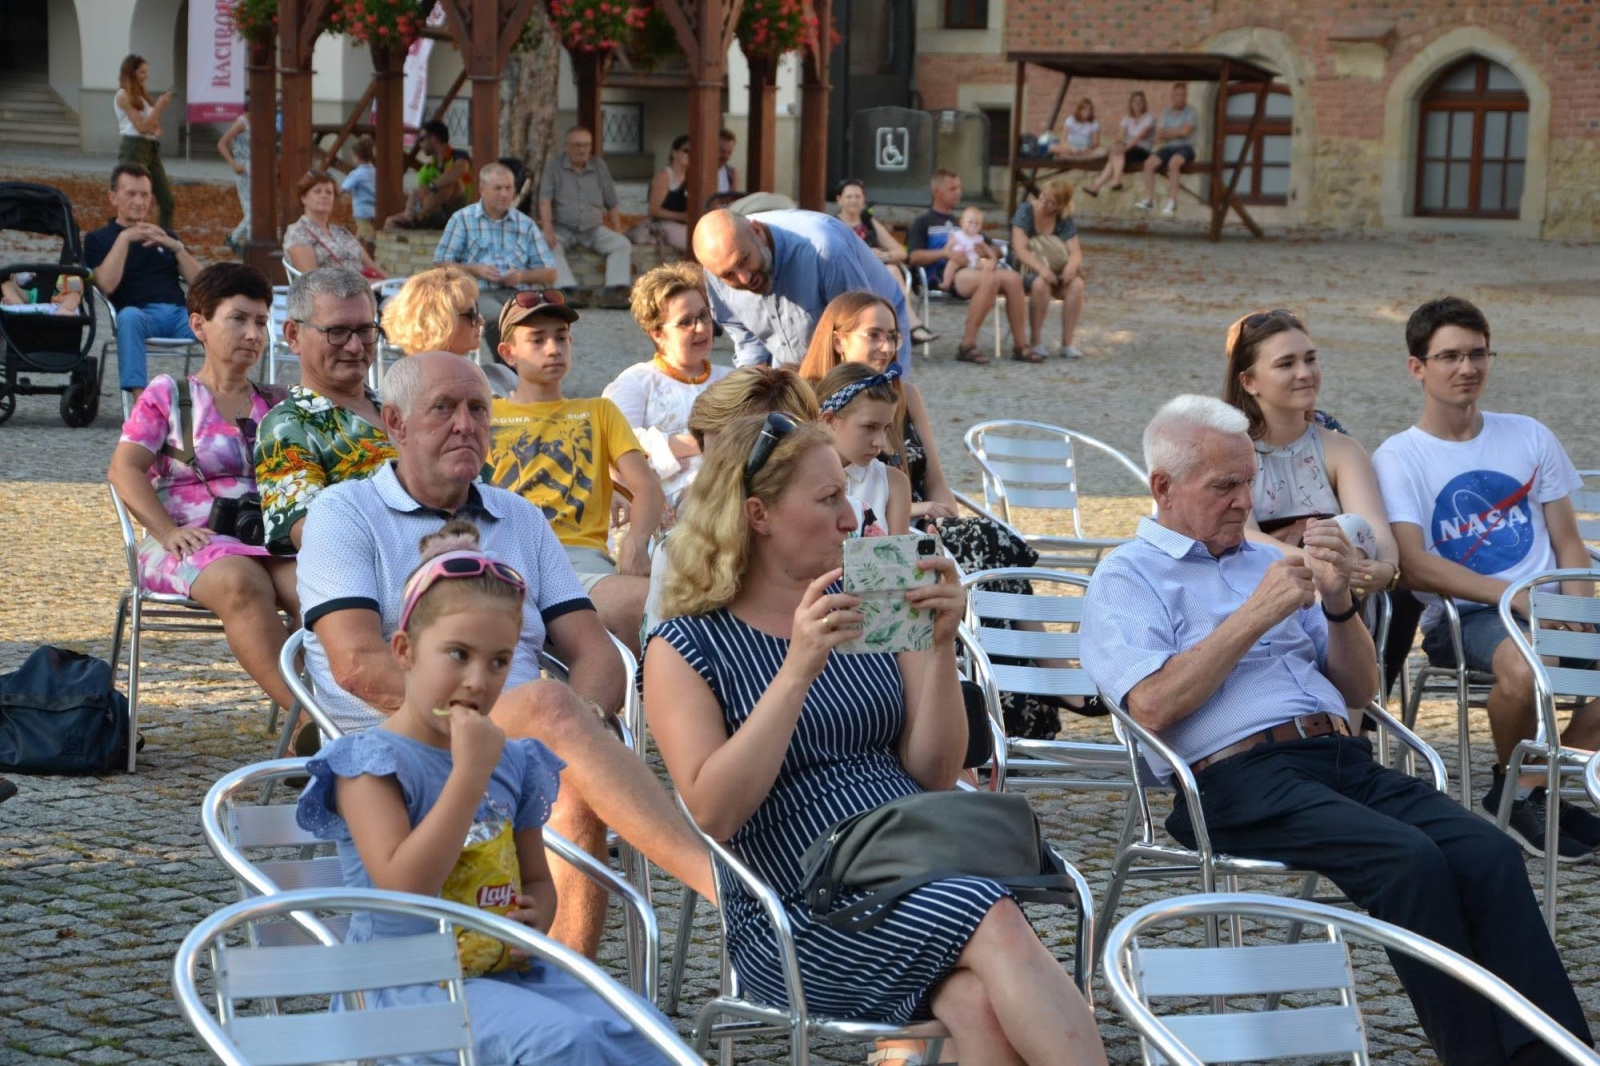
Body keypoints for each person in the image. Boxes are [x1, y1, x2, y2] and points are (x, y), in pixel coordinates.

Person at [1080, 393, 1593, 1066]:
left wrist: (1339, 604)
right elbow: (1149, 705)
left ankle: (1557, 1054)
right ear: (1163, 488)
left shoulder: (1263, 561)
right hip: (1234, 779)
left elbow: (1360, 690)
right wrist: (1253, 618)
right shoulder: (1128, 575)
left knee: (1487, 853)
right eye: (1224, 487)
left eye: (1248, 483)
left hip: (1341, 756)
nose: (1244, 502)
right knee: (1409, 861)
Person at [644, 414, 1108, 1066]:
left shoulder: (878, 586)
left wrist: (941, 644)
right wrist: (799, 668)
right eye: (828, 498)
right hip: (801, 907)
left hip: (914, 854)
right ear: (759, 514)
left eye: (848, 494)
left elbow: (933, 770)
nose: (850, 517)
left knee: (974, 1006)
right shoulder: (688, 644)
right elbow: (714, 815)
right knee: (990, 911)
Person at [294, 350, 714, 957]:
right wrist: (535, 719)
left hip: (522, 740)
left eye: (478, 409)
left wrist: (580, 726)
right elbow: (357, 663)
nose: (466, 423)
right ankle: (727, 889)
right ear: (395, 423)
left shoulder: (517, 517)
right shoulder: (344, 513)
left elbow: (594, 649)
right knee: (547, 702)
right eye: (444, 408)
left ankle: (562, 981)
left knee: (565, 778)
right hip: (401, 739)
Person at [295, 521, 673, 1065]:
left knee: (645, 1033)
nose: (480, 679)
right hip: (403, 986)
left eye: (499, 661)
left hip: (503, 973)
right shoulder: (370, 764)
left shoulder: (514, 762)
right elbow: (404, 884)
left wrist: (533, 921)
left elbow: (538, 882)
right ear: (403, 650)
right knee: (569, 1043)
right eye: (458, 654)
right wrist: (468, 776)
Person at [1373, 296, 1600, 859]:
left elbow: (1569, 543)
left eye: (1478, 354)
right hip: (1467, 614)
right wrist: (1517, 600)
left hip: (1546, 604)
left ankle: (1526, 787)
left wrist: (1580, 613)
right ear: (1417, 367)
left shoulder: (1529, 435)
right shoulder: (1399, 456)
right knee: (1523, 672)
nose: (1466, 368)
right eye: (1449, 356)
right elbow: (1415, 563)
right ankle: (1528, 792)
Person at [797, 291, 1063, 737]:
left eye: (894, 337)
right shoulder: (809, 402)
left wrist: (944, 517)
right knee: (978, 547)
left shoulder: (904, 397)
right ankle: (1040, 683)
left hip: (913, 529)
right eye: (874, 335)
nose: (886, 346)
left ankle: (1023, 690)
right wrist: (922, 513)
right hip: (876, 543)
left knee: (980, 538)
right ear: (840, 340)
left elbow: (933, 477)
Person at [107, 262, 296, 712]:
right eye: (239, 318)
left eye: (261, 323)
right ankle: (311, 720)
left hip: (268, 539)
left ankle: (344, 712)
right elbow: (124, 470)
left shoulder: (279, 403)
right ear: (199, 325)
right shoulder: (169, 394)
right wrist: (166, 531)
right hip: (184, 541)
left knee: (323, 589)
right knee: (240, 582)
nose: (253, 334)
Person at [486, 294, 665, 657]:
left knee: (651, 599)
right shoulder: (484, 413)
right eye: (537, 339)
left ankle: (626, 712)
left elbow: (646, 485)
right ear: (508, 353)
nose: (553, 348)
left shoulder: (598, 411)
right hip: (502, 558)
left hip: (579, 563)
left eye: (562, 337)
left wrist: (635, 540)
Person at [1222, 308, 1399, 596]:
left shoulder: (1343, 449)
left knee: (1352, 528)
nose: (1305, 373)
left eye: (1310, 359)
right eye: (1286, 364)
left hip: (1342, 600)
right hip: (1257, 596)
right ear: (1248, 382)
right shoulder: (1228, 452)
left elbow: (1375, 531)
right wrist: (1322, 566)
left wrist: (1388, 568)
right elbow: (1246, 537)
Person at [254, 267, 391, 556]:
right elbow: (311, 533)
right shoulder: (287, 427)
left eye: (365, 330)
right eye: (337, 332)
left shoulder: (402, 408)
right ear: (293, 335)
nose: (355, 347)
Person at [692, 207, 912, 370]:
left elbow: (863, 336)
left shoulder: (825, 252)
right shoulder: (715, 271)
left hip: (874, 331)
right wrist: (756, 388)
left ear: (757, 231)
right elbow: (745, 335)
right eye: (728, 275)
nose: (744, 277)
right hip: (793, 359)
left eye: (744, 260)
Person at [605, 261, 732, 508]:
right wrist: (696, 443)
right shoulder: (635, 382)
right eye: (686, 322)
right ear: (657, 333)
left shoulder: (732, 378)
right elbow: (615, 446)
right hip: (659, 511)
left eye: (704, 315)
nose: (701, 328)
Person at [85, 162, 201, 398]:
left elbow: (205, 284)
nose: (139, 201)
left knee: (219, 321)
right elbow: (106, 285)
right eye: (131, 194)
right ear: (113, 197)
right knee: (128, 317)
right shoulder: (98, 239)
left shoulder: (166, 236)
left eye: (144, 195)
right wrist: (125, 238)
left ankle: (217, 397)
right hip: (139, 315)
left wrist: (176, 247)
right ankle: (141, 404)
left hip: (181, 315)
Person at [907, 169, 1033, 365]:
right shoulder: (923, 222)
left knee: (1014, 279)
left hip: (973, 268)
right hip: (944, 275)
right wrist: (944, 253)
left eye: (959, 188)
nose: (958, 193)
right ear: (937, 191)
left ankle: (1020, 345)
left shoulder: (965, 221)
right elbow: (913, 256)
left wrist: (985, 252)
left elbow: (996, 248)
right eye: (952, 188)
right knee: (990, 279)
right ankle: (967, 345)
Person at [434, 162, 558, 354]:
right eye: (498, 188)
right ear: (482, 190)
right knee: (500, 319)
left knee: (545, 319)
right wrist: (475, 270)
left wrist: (521, 276)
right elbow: (439, 266)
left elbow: (550, 273)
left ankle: (532, 368)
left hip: (519, 294)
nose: (504, 194)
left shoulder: (525, 224)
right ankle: (512, 368)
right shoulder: (462, 220)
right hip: (478, 293)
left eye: (508, 188)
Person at [381, 264, 519, 397]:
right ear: (438, 323)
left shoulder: (500, 376)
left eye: (477, 310)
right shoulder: (407, 388)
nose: (481, 320)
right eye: (472, 314)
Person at [833, 178, 936, 347]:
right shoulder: (834, 224)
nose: (853, 200)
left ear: (863, 199)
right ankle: (911, 327)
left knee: (893, 270)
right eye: (849, 196)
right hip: (848, 274)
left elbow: (901, 252)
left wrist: (882, 256)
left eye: (857, 196)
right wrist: (865, 254)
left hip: (874, 273)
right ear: (839, 200)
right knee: (892, 272)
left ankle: (908, 326)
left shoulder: (868, 223)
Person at [815, 362, 911, 537]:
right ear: (829, 420)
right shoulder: (796, 480)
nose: (881, 442)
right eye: (869, 427)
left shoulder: (893, 483)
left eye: (886, 428)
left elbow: (900, 561)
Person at [539, 127, 632, 305]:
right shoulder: (554, 166)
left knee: (621, 244)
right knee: (547, 244)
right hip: (562, 227)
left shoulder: (599, 166)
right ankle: (567, 290)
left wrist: (617, 229)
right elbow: (545, 200)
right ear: (566, 146)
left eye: (586, 145)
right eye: (577, 145)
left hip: (593, 228)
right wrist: (548, 229)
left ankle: (615, 291)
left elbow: (611, 203)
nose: (582, 150)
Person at [1009, 178, 1088, 361]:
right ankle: (1036, 341)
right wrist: (1042, 270)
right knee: (1040, 284)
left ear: (1060, 205)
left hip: (1056, 267)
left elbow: (1075, 251)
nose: (1045, 203)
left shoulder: (1064, 217)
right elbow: (1020, 249)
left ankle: (1067, 343)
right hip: (1028, 268)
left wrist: (1070, 267)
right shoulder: (1026, 211)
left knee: (1076, 285)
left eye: (1051, 201)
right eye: (1044, 196)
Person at [284, 170, 387, 278]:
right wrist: (367, 285)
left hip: (368, 289)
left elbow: (372, 266)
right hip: (333, 292)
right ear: (303, 198)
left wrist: (399, 286)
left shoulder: (342, 232)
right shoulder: (298, 233)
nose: (324, 196)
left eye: (329, 192)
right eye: (317, 191)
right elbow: (313, 281)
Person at [114, 55, 175, 230]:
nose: (146, 76)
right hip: (134, 148)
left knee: (167, 201)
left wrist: (155, 127)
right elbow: (141, 127)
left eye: (147, 72)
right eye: (142, 72)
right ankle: (126, 240)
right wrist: (159, 107)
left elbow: (152, 126)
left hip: (150, 148)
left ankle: (166, 241)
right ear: (131, 73)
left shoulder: (141, 96)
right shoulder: (123, 95)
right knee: (133, 201)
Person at [385, 119, 473, 230]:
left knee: (450, 184)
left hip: (462, 212)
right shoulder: (427, 168)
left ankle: (419, 218)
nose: (419, 144)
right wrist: (408, 211)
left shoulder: (459, 156)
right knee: (391, 221)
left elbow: (461, 169)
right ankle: (414, 220)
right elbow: (419, 194)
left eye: (421, 139)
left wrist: (431, 187)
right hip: (437, 212)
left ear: (433, 138)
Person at [1136, 82, 1198, 216]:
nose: (1180, 97)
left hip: (1186, 147)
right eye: (1178, 94)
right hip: (1168, 148)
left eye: (1183, 95)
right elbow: (1161, 135)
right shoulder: (1166, 112)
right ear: (1172, 96)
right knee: (1148, 163)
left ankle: (1172, 202)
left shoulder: (1191, 112)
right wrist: (1177, 132)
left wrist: (1171, 133)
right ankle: (1149, 199)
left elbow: (1185, 133)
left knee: (1174, 163)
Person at [1085, 90, 1153, 197]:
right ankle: (1104, 185)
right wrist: (1118, 146)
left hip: (1142, 150)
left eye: (1140, 101)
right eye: (1135, 101)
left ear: (1144, 103)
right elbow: (1119, 136)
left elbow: (1139, 137)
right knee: (1114, 153)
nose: (1138, 103)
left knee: (1115, 154)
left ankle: (1110, 182)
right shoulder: (1127, 119)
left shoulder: (1148, 118)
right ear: (1131, 104)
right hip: (1127, 150)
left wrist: (1123, 149)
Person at [637, 134, 690, 252]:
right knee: (693, 242)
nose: (690, 155)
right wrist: (682, 216)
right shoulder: (664, 176)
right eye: (686, 151)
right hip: (662, 224)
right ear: (674, 152)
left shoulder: (691, 177)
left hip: (683, 225)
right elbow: (653, 210)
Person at [940, 206, 1001, 292]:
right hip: (959, 260)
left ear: (980, 227)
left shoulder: (978, 238)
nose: (973, 226)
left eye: (977, 224)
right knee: (951, 265)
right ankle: (946, 282)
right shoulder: (957, 235)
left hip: (974, 261)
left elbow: (987, 248)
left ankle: (986, 277)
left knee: (986, 263)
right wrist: (950, 253)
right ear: (962, 222)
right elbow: (947, 248)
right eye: (970, 222)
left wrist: (993, 259)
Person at [216, 107, 251, 253]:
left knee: (255, 212)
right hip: (243, 170)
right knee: (251, 212)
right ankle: (241, 241)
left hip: (257, 170)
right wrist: (233, 163)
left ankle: (238, 240)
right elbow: (221, 143)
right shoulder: (242, 122)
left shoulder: (263, 122)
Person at [341, 135, 378, 242]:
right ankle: (353, 252)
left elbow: (344, 189)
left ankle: (371, 255)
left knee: (368, 238)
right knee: (360, 235)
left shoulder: (356, 174)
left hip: (362, 211)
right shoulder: (376, 172)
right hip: (375, 210)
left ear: (356, 156)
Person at [1050, 98, 1105, 165]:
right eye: (1084, 110)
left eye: (1089, 110)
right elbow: (1063, 139)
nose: (1087, 112)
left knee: (1103, 152)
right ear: (1079, 110)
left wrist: (1088, 148)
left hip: (1085, 147)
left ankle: (1076, 157)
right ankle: (1080, 158)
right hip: (1070, 147)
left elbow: (1096, 142)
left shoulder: (1094, 122)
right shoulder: (1071, 120)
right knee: (1052, 148)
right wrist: (1071, 148)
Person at [717, 128, 740, 195]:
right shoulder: (702, 172)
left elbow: (733, 200)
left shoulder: (731, 173)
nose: (726, 156)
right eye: (722, 151)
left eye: (729, 153)